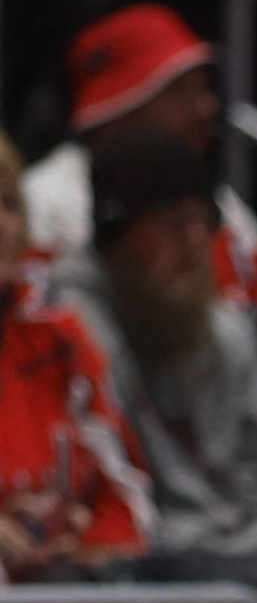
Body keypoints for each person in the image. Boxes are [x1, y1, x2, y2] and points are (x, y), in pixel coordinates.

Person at [53, 130, 257, 597]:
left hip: (238, 558)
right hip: (142, 567)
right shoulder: (70, 330)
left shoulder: (226, 333)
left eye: (204, 223)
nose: (195, 242)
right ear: (115, 237)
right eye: (172, 225)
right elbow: (119, 501)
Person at [23, 5, 257, 292]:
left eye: (205, 89)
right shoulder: (45, 200)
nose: (207, 108)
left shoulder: (225, 204)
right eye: (177, 91)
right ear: (114, 110)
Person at [0, 134, 149, 577]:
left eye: (9, 205)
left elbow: (124, 495)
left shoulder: (58, 336)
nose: (2, 224)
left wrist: (85, 546)